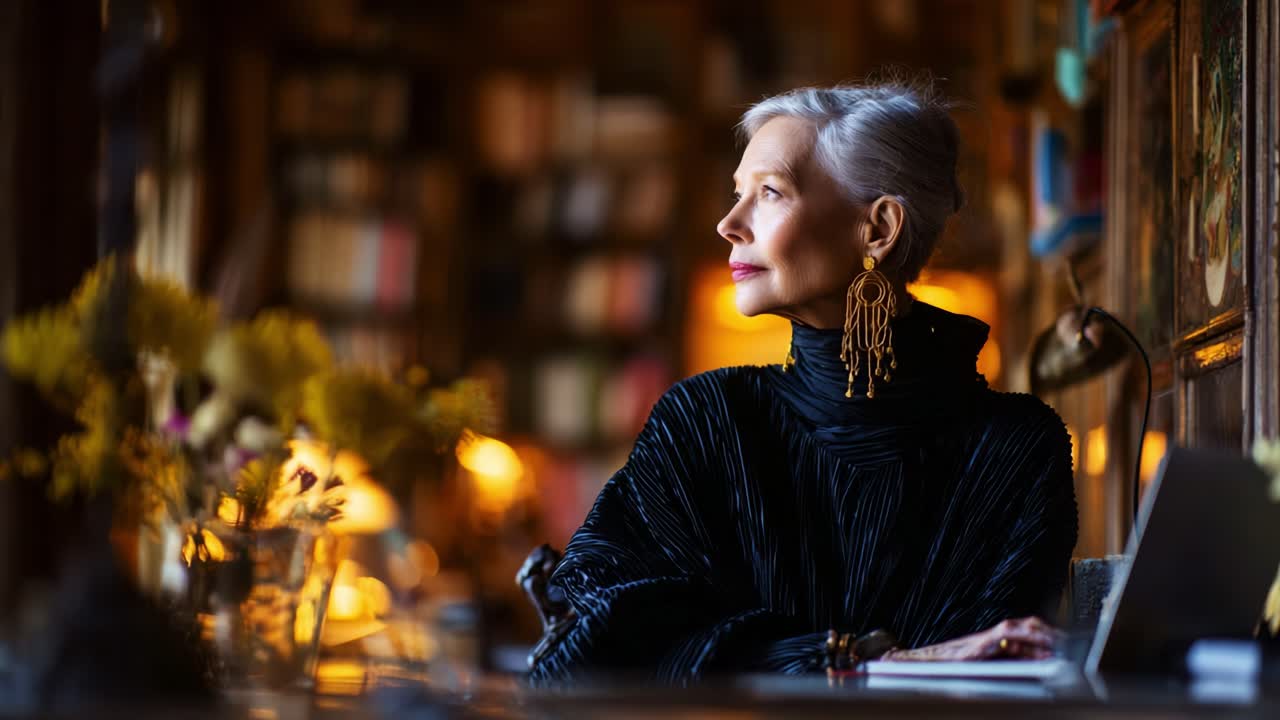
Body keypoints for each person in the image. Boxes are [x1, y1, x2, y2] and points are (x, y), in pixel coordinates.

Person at [523, 80, 1078, 685]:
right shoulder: (706, 422)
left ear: (879, 229)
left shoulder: (1017, 447)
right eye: (739, 194)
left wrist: (757, 652)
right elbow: (593, 643)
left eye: (768, 192)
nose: (728, 224)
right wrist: (858, 658)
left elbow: (999, 667)